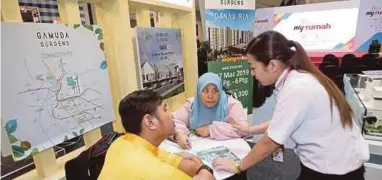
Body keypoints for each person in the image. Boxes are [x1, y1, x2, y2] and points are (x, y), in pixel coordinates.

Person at [212, 31, 369, 180]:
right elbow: (283, 121)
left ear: (272, 66)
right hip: (335, 161)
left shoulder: (296, 88)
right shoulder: (296, 79)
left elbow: (269, 143)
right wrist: (249, 130)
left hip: (334, 169)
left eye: (253, 67)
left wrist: (238, 166)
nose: (252, 74)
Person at [98, 90, 215, 180]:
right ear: (150, 122)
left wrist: (199, 168)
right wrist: (205, 170)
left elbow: (185, 164)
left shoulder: (120, 142)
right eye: (165, 110)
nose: (171, 115)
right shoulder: (159, 173)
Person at [173, 72, 248, 149]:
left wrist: (211, 129)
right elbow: (175, 121)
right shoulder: (192, 105)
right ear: (199, 91)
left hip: (229, 150)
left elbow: (243, 129)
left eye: (215, 91)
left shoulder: (232, 105)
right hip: (197, 149)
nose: (210, 96)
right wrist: (179, 133)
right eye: (206, 91)